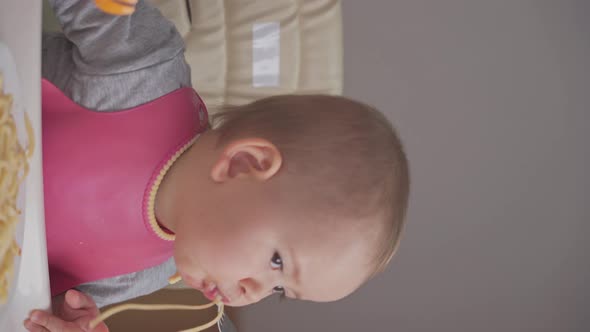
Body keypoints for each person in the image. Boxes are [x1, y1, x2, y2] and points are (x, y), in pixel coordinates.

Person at [25, 1, 410, 331]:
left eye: (278, 291)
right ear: (243, 164)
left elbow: (30, 290)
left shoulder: (146, 273)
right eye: (276, 263)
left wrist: (62, 315)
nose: (249, 295)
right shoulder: (142, 70)